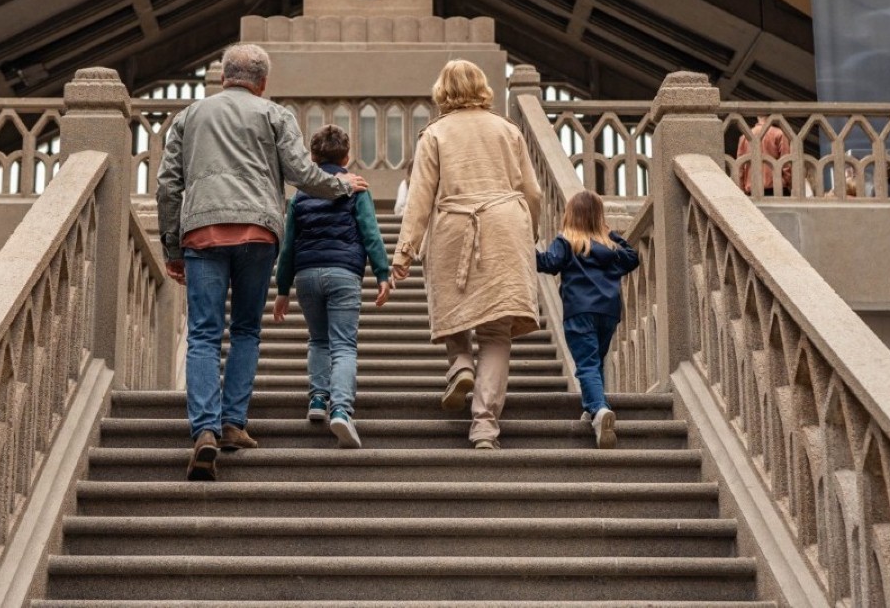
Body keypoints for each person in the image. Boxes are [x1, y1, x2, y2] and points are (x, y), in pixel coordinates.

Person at [157, 43, 367, 482]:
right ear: (263, 82)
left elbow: (168, 187)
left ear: (222, 78)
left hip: (202, 233)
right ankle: (233, 423)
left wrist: (172, 248)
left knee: (203, 334)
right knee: (247, 329)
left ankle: (205, 431)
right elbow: (301, 173)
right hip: (257, 232)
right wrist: (344, 187)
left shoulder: (189, 117)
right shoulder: (275, 115)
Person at [391, 59, 541, 450]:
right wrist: (529, 233)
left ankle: (459, 364)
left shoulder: (435, 134)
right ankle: (485, 426)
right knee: (495, 333)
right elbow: (534, 192)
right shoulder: (508, 131)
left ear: (443, 91)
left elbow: (420, 198)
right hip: (505, 224)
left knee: (455, 309)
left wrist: (404, 253)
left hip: (454, 225)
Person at [272, 125, 391, 449]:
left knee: (319, 340)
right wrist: (383, 273)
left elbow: (289, 246)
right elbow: (370, 233)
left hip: (307, 275)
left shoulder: (301, 196)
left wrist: (283, 290)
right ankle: (340, 408)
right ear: (347, 157)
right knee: (343, 345)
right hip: (343, 274)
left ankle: (317, 400)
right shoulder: (357, 189)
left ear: (312, 157)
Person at [536, 190, 640, 449]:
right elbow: (632, 258)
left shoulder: (566, 241)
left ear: (571, 215)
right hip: (609, 312)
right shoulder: (610, 246)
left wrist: (524, 247)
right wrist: (611, 234)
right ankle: (593, 406)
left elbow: (548, 263)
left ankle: (600, 410)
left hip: (580, 310)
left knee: (586, 364)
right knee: (596, 361)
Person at [737, 115, 791, 196]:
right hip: (776, 188)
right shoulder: (779, 134)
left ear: (758, 117)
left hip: (752, 188)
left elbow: (740, 167)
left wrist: (741, 188)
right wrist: (787, 181)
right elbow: (786, 162)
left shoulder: (744, 137)